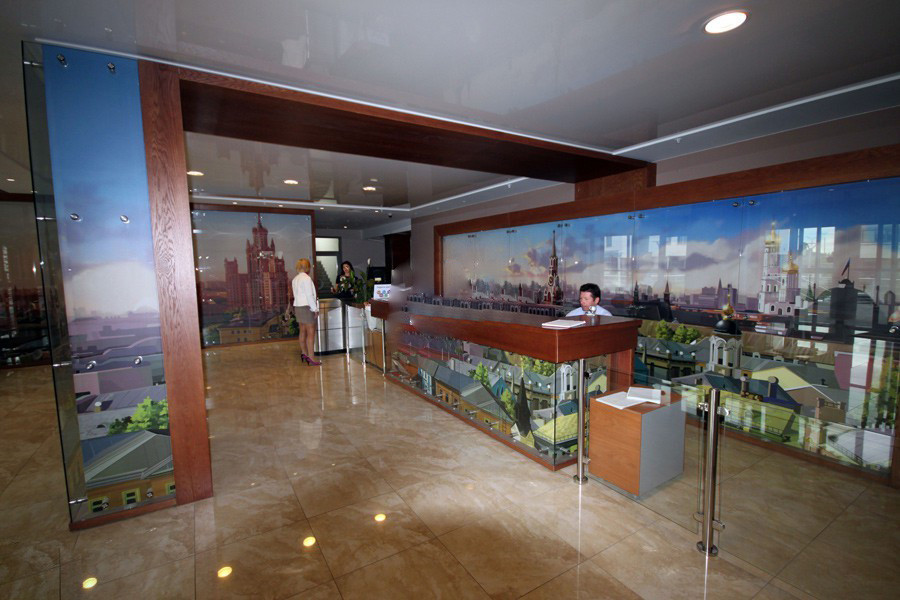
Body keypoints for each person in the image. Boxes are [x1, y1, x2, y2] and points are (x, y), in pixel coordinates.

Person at [291, 258, 321, 366]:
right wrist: (315, 309)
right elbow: (309, 295)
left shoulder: (295, 279)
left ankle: (304, 353)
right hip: (307, 307)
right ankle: (311, 358)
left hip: (298, 307)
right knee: (311, 333)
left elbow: (295, 295)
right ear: (307, 267)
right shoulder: (307, 278)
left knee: (302, 331)